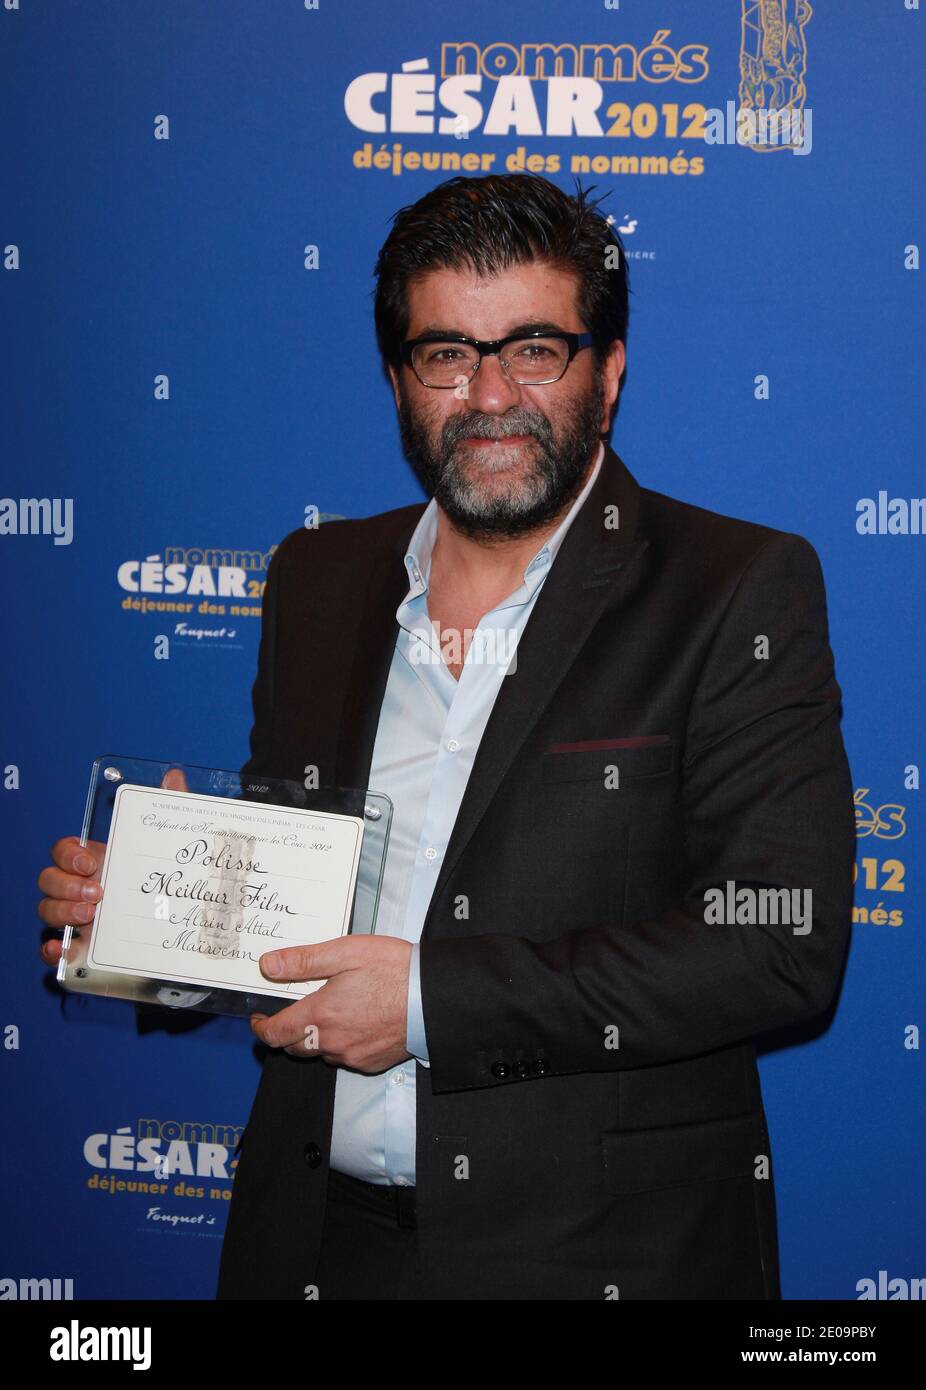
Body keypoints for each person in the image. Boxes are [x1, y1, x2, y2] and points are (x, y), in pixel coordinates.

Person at [38, 173, 855, 1300]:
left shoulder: (733, 589)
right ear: (397, 381)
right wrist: (167, 930)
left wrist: (426, 1005)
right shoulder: (317, 579)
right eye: (444, 355)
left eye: (533, 348)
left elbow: (776, 945)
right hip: (313, 1243)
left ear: (606, 374)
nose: (487, 394)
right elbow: (306, 899)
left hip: (596, 1260)